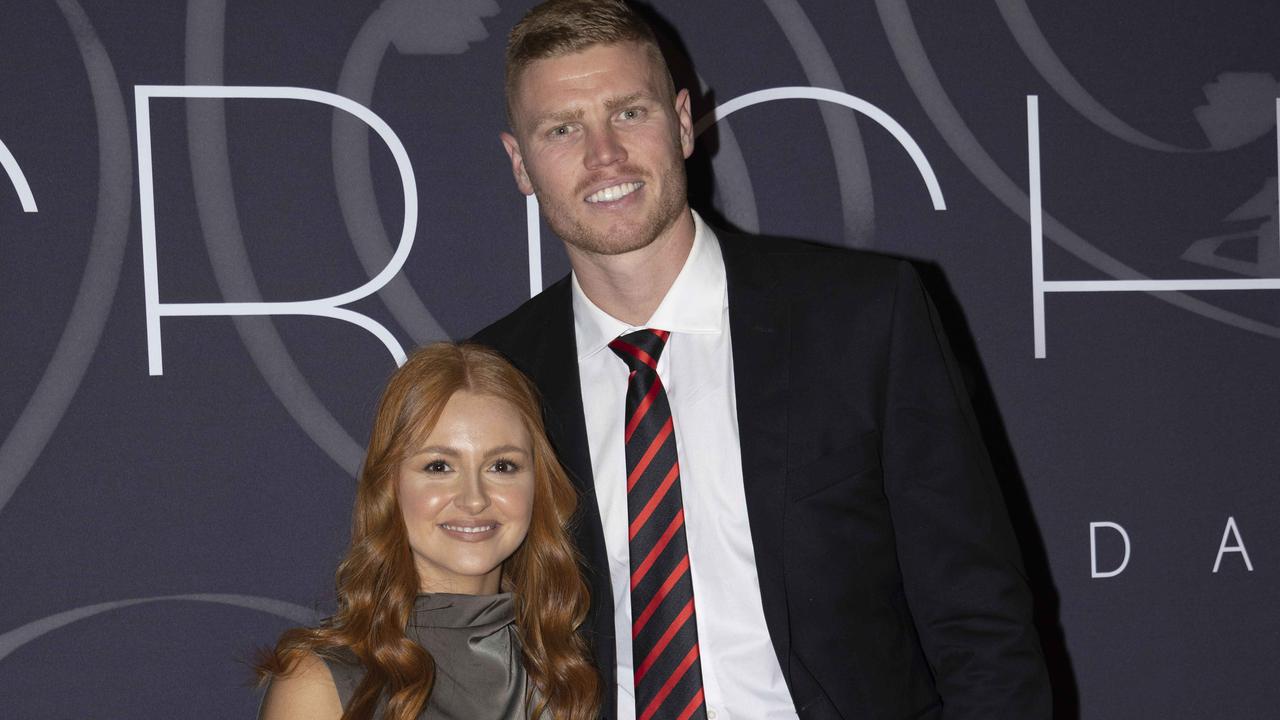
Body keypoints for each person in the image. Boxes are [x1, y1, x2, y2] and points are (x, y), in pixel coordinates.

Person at [475, 1, 1052, 718]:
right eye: (563, 129)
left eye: (629, 113)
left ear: (683, 121)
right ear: (519, 163)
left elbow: (981, 622)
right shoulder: (492, 381)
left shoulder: (863, 319)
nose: (604, 155)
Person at [255, 343, 599, 720]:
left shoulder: (566, 674)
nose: (474, 499)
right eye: (439, 467)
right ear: (390, 485)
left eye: (502, 466)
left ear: (538, 485)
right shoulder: (321, 684)